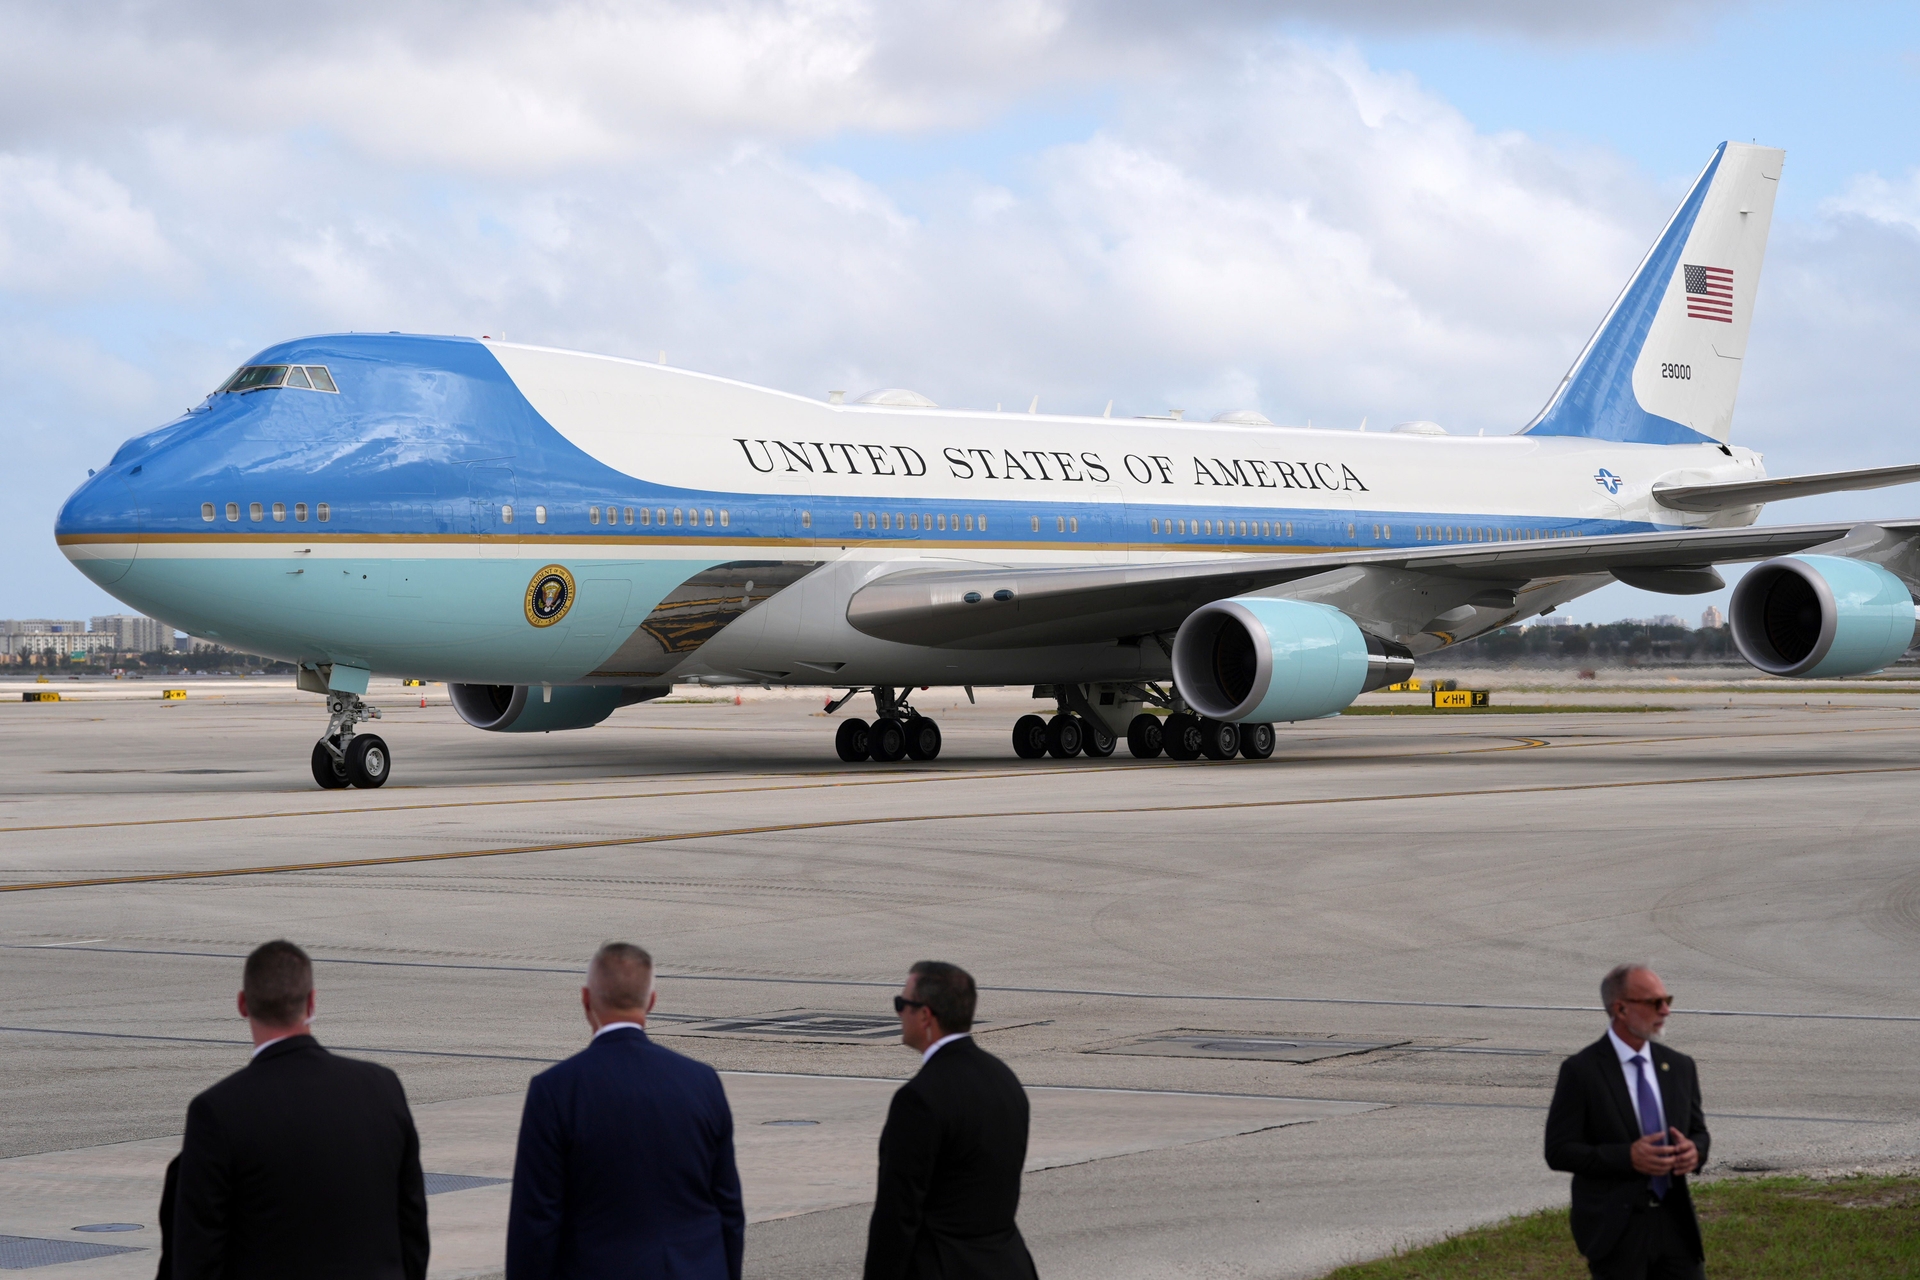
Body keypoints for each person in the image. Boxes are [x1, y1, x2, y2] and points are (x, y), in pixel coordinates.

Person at [171, 939, 429, 1280]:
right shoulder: (382, 1088)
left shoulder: (218, 1111)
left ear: (243, 1004)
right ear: (311, 1002)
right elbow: (412, 1230)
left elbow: (197, 1255)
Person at [506, 943, 744, 1280]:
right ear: (651, 1002)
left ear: (586, 1000)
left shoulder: (556, 1089)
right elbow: (728, 1209)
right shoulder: (702, 1082)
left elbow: (536, 1221)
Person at [864, 961, 1038, 1280]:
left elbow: (898, 1214)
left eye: (902, 1004)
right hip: (1008, 1265)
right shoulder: (1004, 1080)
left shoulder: (919, 1099)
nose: (899, 1013)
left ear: (926, 1015)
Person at [1545, 964, 1711, 1280]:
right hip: (1617, 1229)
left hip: (1675, 1223)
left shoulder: (1679, 1067)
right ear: (1620, 1009)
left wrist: (1695, 1152)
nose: (1665, 1011)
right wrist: (1627, 1157)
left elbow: (1698, 1132)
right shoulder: (1582, 1071)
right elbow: (1559, 1150)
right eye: (1654, 1003)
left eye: (1667, 1000)